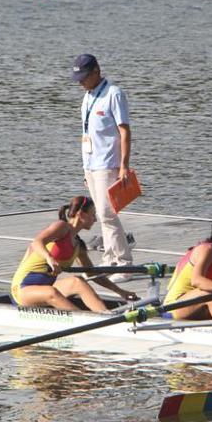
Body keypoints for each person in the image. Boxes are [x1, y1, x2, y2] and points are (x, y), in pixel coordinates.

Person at [10, 196, 138, 311]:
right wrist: (49, 258)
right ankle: (84, 321)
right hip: (22, 288)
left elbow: (93, 274)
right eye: (93, 214)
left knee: (78, 281)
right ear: (81, 214)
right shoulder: (61, 227)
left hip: (44, 286)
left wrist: (121, 292)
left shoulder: (78, 245)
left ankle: (105, 315)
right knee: (51, 292)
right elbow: (37, 242)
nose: (95, 219)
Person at [72, 53, 134, 283]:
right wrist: (85, 169)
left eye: (84, 77)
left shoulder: (114, 94)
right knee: (101, 214)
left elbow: (125, 131)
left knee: (108, 213)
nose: (80, 82)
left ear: (96, 71)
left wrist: (124, 167)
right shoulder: (88, 96)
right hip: (92, 163)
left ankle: (125, 263)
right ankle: (109, 259)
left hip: (109, 163)